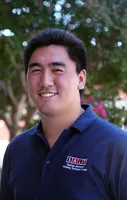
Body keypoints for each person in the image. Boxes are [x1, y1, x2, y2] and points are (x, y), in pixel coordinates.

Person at [0, 28, 127, 200]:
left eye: (57, 70)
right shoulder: (16, 149)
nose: (45, 81)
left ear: (81, 79)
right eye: (36, 70)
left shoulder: (118, 147)